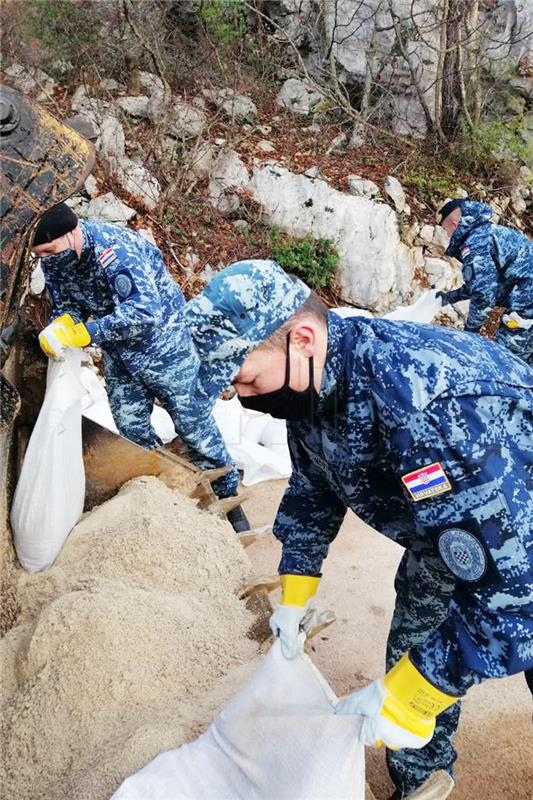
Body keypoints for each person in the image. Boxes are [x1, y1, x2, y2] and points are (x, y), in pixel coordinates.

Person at [185, 259, 533, 799]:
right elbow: (314, 488)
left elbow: (517, 594)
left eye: (247, 378)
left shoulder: (424, 407)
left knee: (449, 667)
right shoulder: (315, 385)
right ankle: (422, 784)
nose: (247, 398)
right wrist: (295, 596)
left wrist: (414, 697)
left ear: (302, 338)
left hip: (520, 532)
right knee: (415, 651)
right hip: (446, 536)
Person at [32, 203, 249, 532]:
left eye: (49, 250)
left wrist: (87, 333)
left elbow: (143, 312)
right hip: (120, 352)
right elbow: (68, 304)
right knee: (130, 427)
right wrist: (61, 325)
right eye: (40, 254)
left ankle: (229, 501)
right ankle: (166, 493)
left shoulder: (115, 251)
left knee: (195, 426)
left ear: (72, 232)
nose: (46, 258)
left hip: (165, 346)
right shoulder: (55, 261)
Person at [436, 198, 533, 365]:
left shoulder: (475, 244)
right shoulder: (485, 232)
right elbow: (483, 285)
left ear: (453, 224)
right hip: (527, 299)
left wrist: (469, 333)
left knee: (506, 361)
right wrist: (450, 297)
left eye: (446, 231)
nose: (448, 236)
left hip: (527, 305)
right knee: (526, 359)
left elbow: (484, 295)